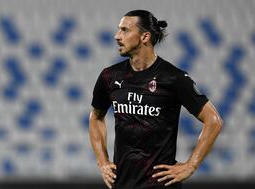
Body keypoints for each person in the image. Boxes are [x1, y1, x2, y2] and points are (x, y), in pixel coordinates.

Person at [89, 10, 223, 189]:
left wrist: (191, 165)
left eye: (125, 30)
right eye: (118, 30)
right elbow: (96, 117)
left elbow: (213, 121)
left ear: (145, 36)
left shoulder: (174, 78)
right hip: (121, 183)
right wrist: (102, 161)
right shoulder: (109, 76)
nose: (117, 36)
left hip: (160, 185)